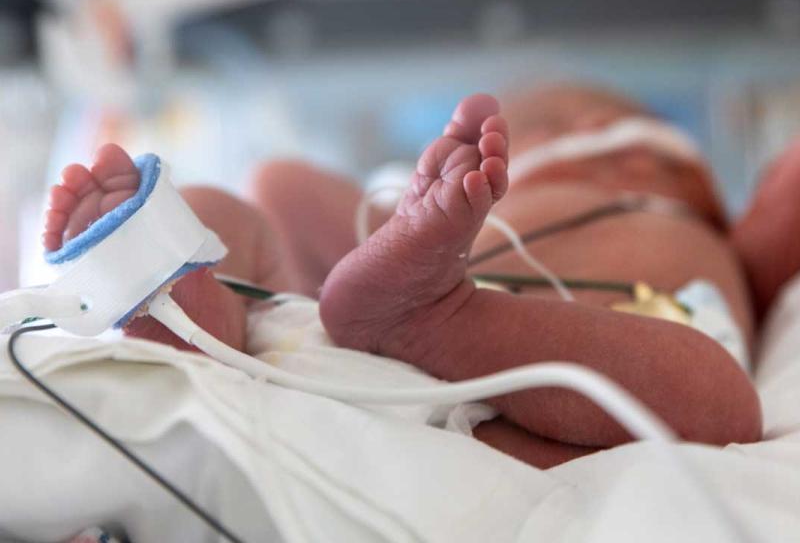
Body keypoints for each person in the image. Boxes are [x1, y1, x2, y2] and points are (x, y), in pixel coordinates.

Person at [43, 85, 770, 469]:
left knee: (713, 403)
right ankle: (178, 308)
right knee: (226, 210)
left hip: (552, 381)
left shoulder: (708, 230)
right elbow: (286, 184)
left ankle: (429, 321)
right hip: (360, 349)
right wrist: (414, 224)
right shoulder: (458, 219)